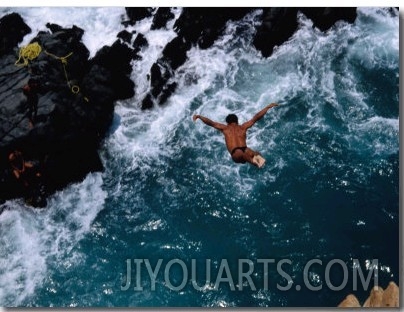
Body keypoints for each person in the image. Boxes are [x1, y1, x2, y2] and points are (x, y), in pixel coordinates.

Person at [193, 103, 279, 168]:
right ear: (237, 121)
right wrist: (268, 107)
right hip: (243, 150)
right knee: (251, 153)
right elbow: (256, 117)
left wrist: (199, 116)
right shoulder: (243, 127)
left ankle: (256, 162)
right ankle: (256, 161)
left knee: (246, 154)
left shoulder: (225, 128)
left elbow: (211, 123)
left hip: (236, 153)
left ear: (227, 122)